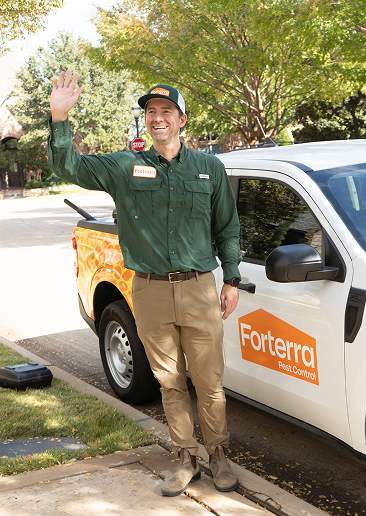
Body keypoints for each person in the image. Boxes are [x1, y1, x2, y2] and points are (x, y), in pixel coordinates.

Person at [48, 70, 242, 497]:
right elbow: (68, 166)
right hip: (150, 291)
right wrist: (60, 119)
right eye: (151, 111)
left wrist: (231, 279)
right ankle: (186, 458)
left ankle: (219, 455)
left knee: (210, 382)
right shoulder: (125, 166)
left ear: (181, 120)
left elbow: (228, 228)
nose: (157, 117)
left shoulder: (209, 168)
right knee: (170, 382)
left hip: (199, 288)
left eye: (166, 111)